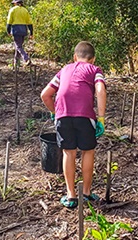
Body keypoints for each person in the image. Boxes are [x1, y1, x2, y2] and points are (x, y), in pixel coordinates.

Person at [40, 41, 107, 209]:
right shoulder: (95, 70)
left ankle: (71, 195)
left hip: (64, 116)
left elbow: (45, 95)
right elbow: (100, 90)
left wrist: (55, 112)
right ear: (93, 59)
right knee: (88, 151)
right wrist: (101, 118)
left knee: (68, 153)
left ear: (75, 57)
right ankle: (86, 193)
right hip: (85, 116)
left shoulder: (64, 70)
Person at [6, 0, 33, 66]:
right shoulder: (25, 10)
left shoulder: (12, 10)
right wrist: (31, 32)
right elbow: (29, 22)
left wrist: (8, 31)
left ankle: (26, 59)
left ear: (15, 3)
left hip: (16, 29)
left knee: (18, 47)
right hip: (24, 29)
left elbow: (9, 22)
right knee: (18, 46)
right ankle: (16, 63)